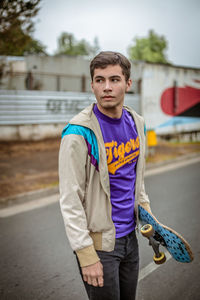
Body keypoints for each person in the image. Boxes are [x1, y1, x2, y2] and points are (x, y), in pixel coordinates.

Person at [59, 51, 151, 300]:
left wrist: (146, 214)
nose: (106, 87)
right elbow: (70, 199)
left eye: (114, 79)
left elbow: (135, 178)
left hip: (131, 239)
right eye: (100, 80)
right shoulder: (78, 133)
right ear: (92, 85)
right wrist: (85, 254)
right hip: (100, 246)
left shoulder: (136, 122)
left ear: (128, 83)